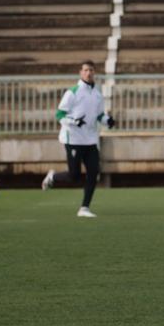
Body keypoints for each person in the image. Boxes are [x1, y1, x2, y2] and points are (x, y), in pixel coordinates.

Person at [42, 59, 116, 217]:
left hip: (90, 140)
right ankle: (52, 177)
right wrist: (74, 121)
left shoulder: (97, 94)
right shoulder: (72, 92)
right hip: (73, 139)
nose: (89, 73)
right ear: (81, 73)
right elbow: (59, 114)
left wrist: (107, 120)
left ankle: (84, 208)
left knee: (94, 172)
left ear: (94, 73)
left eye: (91, 70)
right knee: (73, 176)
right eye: (86, 70)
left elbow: (99, 115)